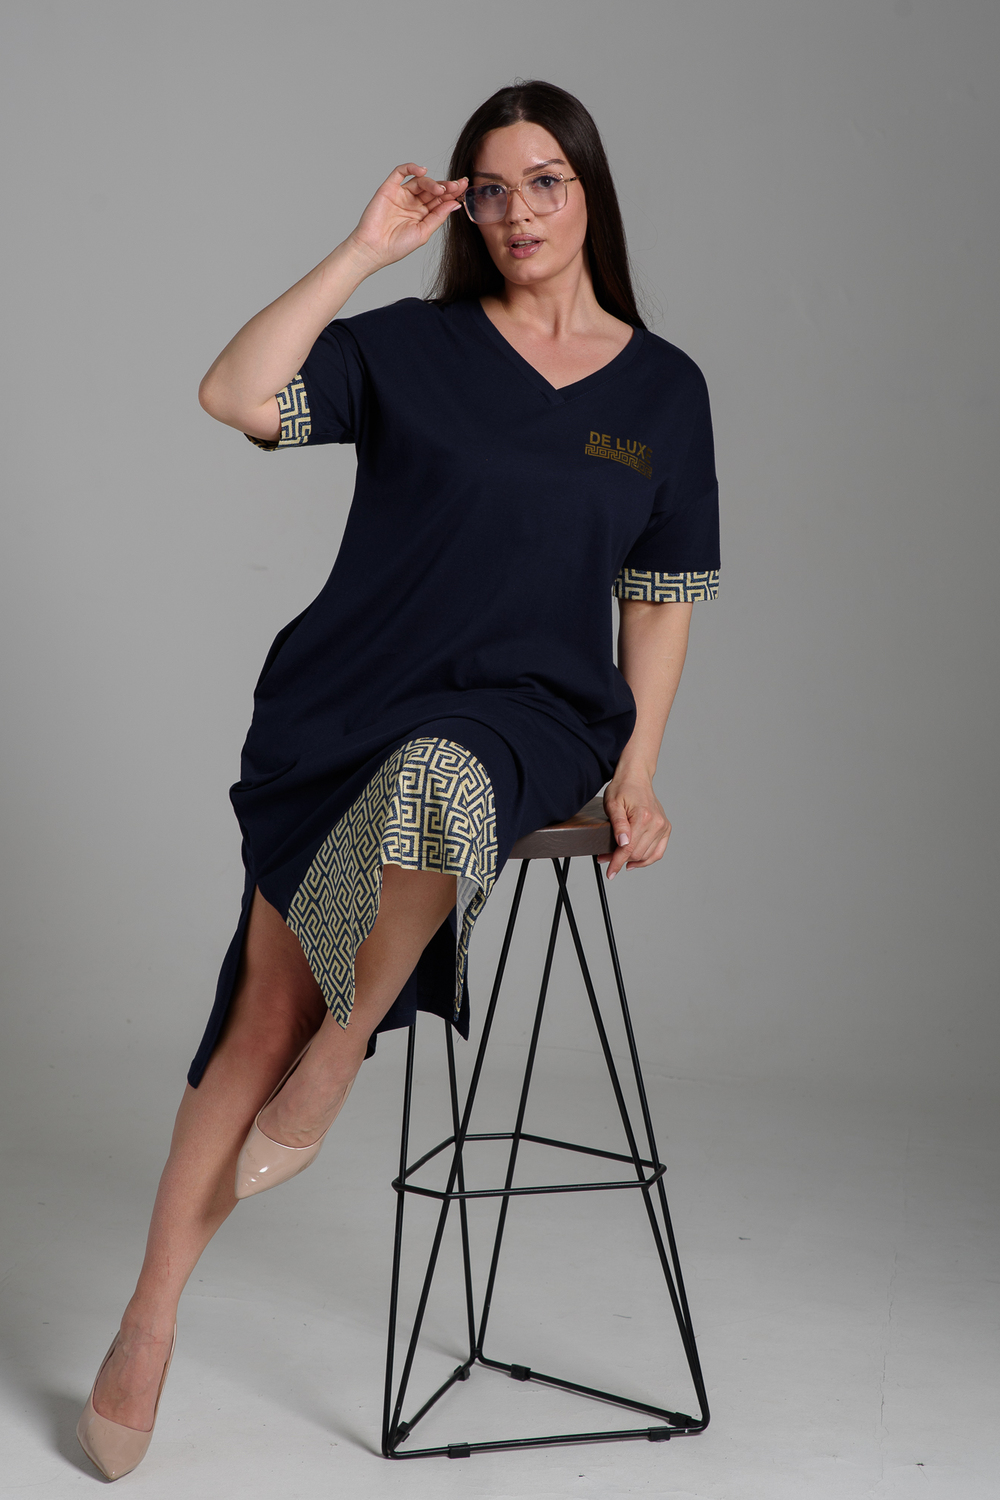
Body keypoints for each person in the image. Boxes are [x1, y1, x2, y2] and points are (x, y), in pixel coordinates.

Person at [76, 78, 720, 1479]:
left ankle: (342, 1053)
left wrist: (640, 771)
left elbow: (661, 599)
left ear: (590, 191)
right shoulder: (414, 348)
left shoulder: (664, 391)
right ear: (464, 209)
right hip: (351, 699)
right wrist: (365, 249)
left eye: (546, 181)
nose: (519, 212)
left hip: (536, 714)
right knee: (256, 1015)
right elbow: (233, 394)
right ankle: (149, 1320)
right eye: (491, 190)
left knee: (440, 781)